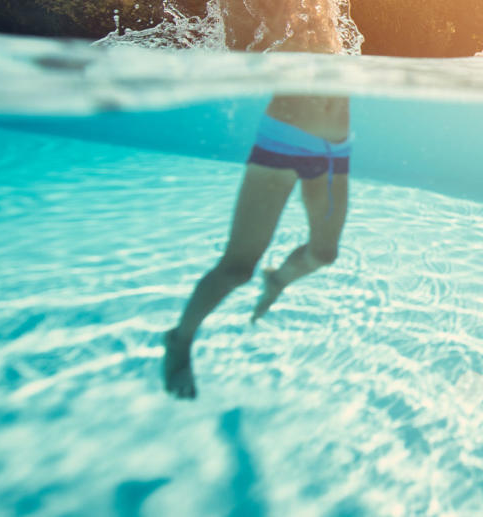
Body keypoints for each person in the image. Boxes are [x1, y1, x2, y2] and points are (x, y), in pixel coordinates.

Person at [163, 0, 351, 399]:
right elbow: (243, 52)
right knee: (236, 269)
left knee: (324, 253)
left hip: (334, 146)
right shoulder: (260, 9)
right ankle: (179, 341)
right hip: (283, 141)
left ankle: (278, 279)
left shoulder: (324, 9)